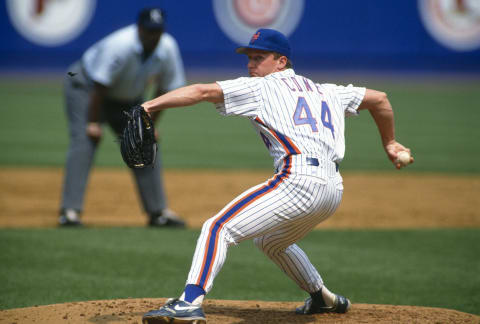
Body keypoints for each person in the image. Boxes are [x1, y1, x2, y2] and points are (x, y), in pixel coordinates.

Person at [139, 28, 414, 323]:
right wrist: (390, 142)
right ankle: (323, 297)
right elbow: (380, 99)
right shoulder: (328, 90)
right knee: (270, 242)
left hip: (299, 180)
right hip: (332, 190)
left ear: (281, 61)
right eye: (249, 58)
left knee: (217, 228)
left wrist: (148, 105)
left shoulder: (261, 87)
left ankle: (189, 302)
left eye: (259, 58)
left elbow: (201, 91)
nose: (250, 64)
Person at [59, 8, 186, 228]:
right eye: (148, 30)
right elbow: (99, 87)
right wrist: (93, 123)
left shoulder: (168, 47)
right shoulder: (120, 45)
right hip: (86, 88)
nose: (152, 36)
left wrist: (149, 127)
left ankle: (158, 212)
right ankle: (69, 212)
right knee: (85, 141)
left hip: (126, 97)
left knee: (145, 143)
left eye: (157, 31)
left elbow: (164, 90)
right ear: (139, 28)